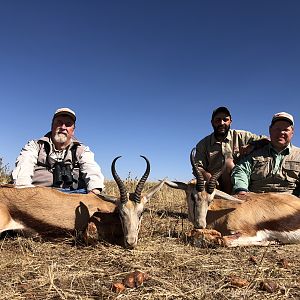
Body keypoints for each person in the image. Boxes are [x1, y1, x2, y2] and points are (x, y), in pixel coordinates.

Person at [12, 107, 104, 194]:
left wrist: (94, 190)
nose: (63, 127)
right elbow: (24, 165)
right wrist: (24, 190)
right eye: (59, 122)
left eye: (68, 124)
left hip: (74, 195)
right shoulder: (34, 145)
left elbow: (92, 169)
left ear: (73, 130)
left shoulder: (82, 150)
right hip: (38, 194)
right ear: (52, 126)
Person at [194, 106, 269, 194]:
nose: (222, 123)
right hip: (214, 186)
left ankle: (233, 197)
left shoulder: (242, 135)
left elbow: (267, 140)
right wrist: (207, 175)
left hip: (239, 183)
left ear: (230, 121)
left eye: (225, 120)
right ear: (212, 122)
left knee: (228, 164)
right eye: (218, 120)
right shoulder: (203, 144)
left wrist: (252, 145)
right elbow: (198, 167)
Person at [232, 112, 300, 197]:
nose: (281, 132)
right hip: (256, 200)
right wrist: (241, 190)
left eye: (286, 130)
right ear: (270, 130)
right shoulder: (255, 153)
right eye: (277, 129)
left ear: (292, 132)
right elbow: (241, 170)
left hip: (290, 202)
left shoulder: (298, 154)